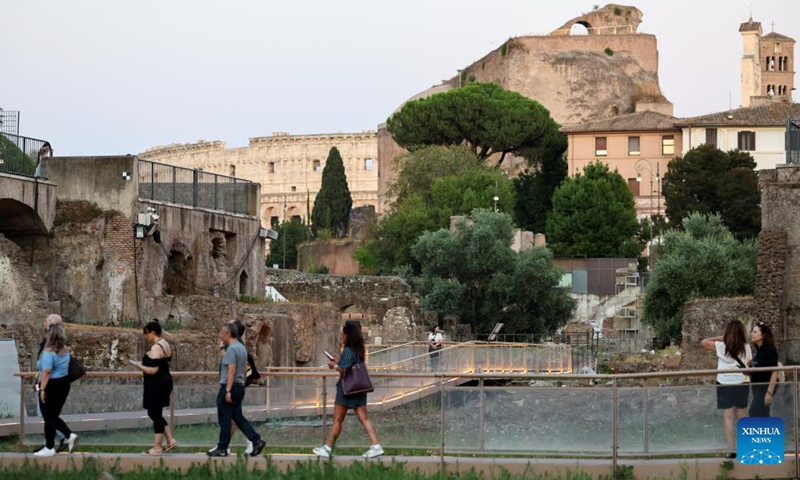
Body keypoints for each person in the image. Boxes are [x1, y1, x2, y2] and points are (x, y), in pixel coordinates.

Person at [313, 320, 383, 459]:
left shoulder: (347, 350)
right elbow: (350, 366)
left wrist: (333, 365)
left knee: (337, 419)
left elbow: (343, 370)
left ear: (347, 335)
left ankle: (328, 448)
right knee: (364, 418)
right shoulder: (359, 350)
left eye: (343, 334)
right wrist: (339, 361)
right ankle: (376, 445)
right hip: (359, 388)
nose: (342, 337)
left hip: (346, 390)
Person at [207, 323, 266, 457]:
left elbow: (231, 371)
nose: (220, 335)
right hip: (239, 386)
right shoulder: (241, 348)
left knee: (225, 418)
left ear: (228, 334)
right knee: (237, 417)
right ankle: (256, 440)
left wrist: (227, 390)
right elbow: (244, 370)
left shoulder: (232, 349)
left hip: (230, 386)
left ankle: (222, 447)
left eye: (222, 333)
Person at [702, 320, 752, 459]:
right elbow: (748, 363)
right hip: (742, 383)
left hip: (725, 383)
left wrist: (723, 337)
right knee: (743, 417)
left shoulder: (722, 346)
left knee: (728, 417)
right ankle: (747, 448)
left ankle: (731, 450)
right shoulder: (746, 347)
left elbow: (704, 342)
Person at [131, 321, 178, 455]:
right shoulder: (165, 344)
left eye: (146, 334)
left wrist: (139, 366)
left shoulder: (156, 348)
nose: (146, 337)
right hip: (164, 382)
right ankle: (170, 439)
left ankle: (157, 447)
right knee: (156, 413)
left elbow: (153, 370)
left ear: (151, 332)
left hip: (157, 384)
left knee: (155, 414)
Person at [34, 324, 78, 457]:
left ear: (50, 335)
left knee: (48, 417)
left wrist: (42, 389)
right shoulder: (65, 349)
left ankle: (49, 447)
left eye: (47, 332)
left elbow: (47, 371)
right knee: (53, 416)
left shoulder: (48, 351)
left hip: (51, 385)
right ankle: (69, 435)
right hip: (64, 385)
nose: (45, 334)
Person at [749, 322, 779, 418]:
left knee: (754, 412)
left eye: (755, 332)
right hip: (757, 387)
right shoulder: (758, 351)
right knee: (763, 413)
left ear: (763, 335)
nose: (751, 334)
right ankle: (765, 432)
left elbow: (774, 371)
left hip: (765, 386)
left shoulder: (770, 350)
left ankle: (761, 432)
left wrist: (769, 393)